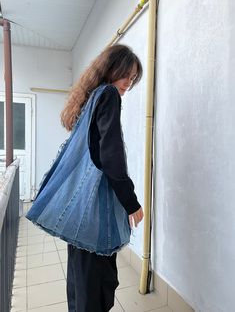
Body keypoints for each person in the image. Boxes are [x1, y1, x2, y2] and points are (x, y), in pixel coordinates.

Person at [64, 44, 145, 311]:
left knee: (79, 280)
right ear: (111, 69)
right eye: (127, 74)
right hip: (93, 211)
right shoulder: (109, 94)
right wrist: (131, 202)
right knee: (98, 284)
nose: (129, 82)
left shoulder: (90, 98)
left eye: (133, 79)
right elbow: (110, 156)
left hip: (77, 208)